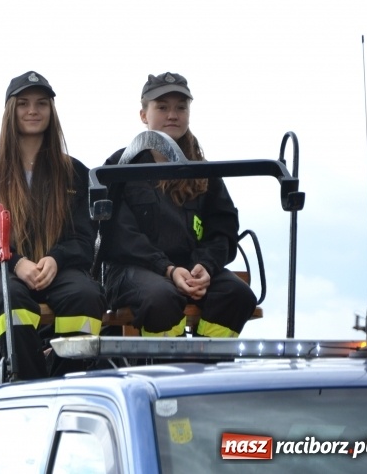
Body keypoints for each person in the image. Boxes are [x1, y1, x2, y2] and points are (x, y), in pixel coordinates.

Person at [0, 71, 105, 380]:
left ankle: (68, 381)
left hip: (57, 270)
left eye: (41, 103)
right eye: (23, 103)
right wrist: (16, 263)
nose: (33, 110)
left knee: (86, 295)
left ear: (51, 111)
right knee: (11, 298)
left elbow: (84, 234)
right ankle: (26, 386)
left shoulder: (74, 172)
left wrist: (56, 259)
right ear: (10, 111)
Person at [99, 72, 257, 337]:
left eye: (180, 108)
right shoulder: (119, 167)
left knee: (238, 295)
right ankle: (162, 371)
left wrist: (205, 267)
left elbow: (223, 229)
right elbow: (119, 236)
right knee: (161, 297)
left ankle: (206, 364)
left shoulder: (204, 171)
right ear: (143, 115)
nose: (172, 114)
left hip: (192, 270)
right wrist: (168, 269)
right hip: (134, 272)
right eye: (162, 107)